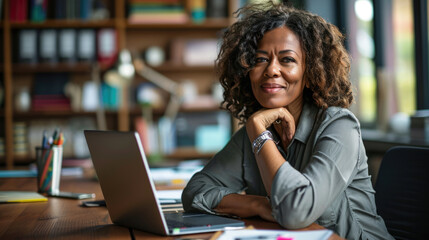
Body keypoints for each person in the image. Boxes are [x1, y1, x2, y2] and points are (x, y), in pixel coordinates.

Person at [181, 2, 393, 240]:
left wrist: (259, 134)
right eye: (260, 60)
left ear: (311, 72)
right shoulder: (253, 133)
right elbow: (194, 192)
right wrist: (259, 205)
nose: (271, 69)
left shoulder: (339, 126)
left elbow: (294, 211)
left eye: (287, 60)